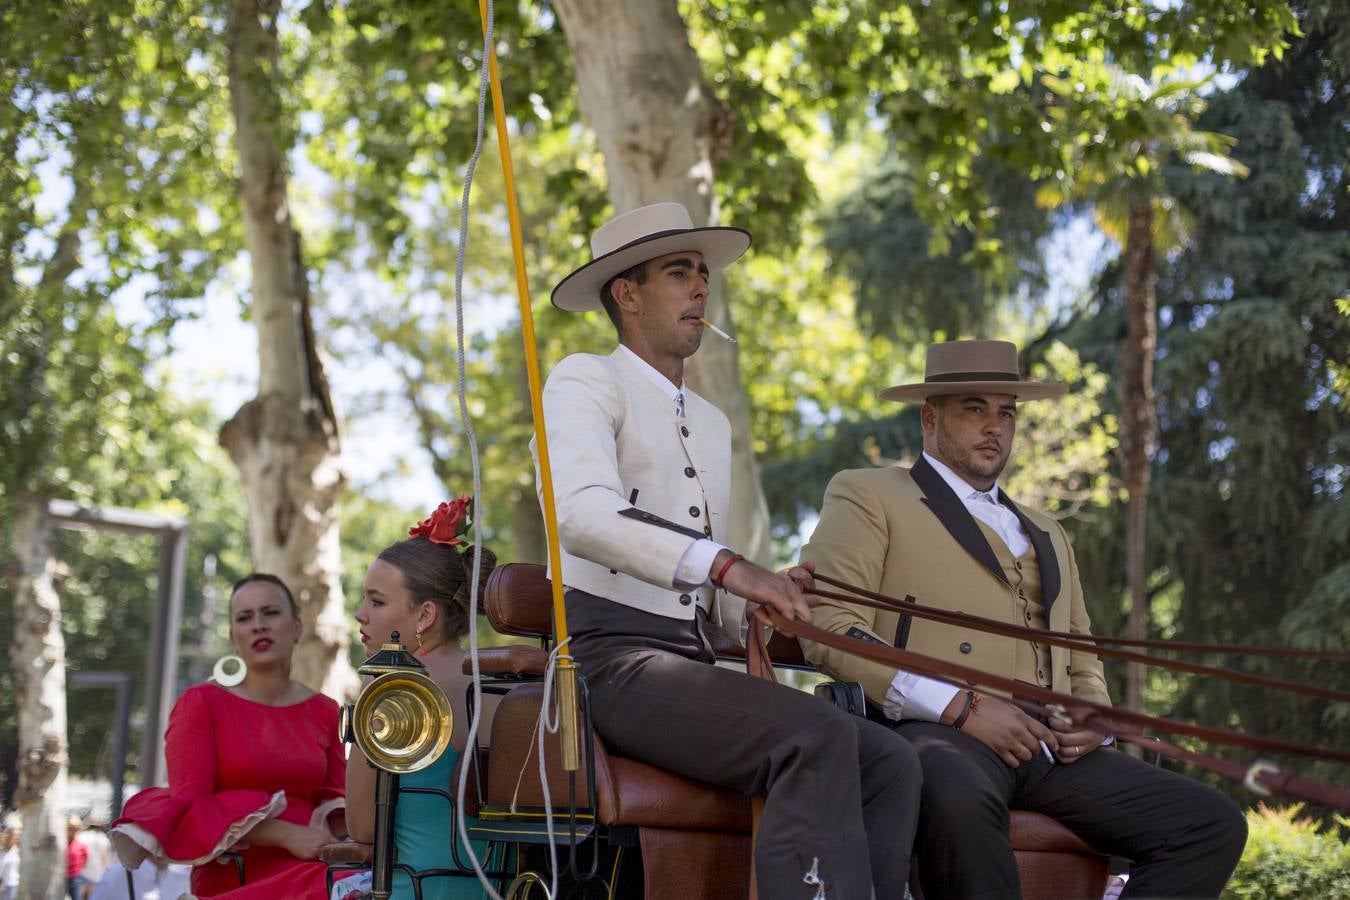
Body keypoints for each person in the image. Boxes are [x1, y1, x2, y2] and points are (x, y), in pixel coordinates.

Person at [533, 201, 922, 898]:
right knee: (814, 734)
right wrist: (729, 565)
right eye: (679, 272)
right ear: (627, 294)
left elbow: (706, 593)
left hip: (689, 660)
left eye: (704, 275)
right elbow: (581, 515)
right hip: (608, 663)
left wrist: (767, 598)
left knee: (892, 760)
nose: (702, 289)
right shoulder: (584, 378)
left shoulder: (711, 423)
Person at [799, 339, 1248, 899]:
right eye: (974, 408)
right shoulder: (869, 493)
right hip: (938, 731)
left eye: (1006, 412)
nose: (994, 426)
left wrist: (1093, 716)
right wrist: (961, 707)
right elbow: (827, 623)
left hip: (1051, 746)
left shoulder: (1047, 529)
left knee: (1210, 824)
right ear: (930, 418)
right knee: (955, 797)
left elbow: (1076, 642)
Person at [111, 574, 346, 898]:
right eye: (244, 618)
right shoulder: (202, 703)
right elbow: (190, 807)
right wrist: (286, 835)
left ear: (297, 627)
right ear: (234, 638)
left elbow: (336, 800)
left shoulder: (325, 710)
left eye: (270, 612)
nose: (258, 625)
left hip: (319, 861)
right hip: (233, 871)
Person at [341, 509, 495, 900]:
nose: (360, 614)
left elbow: (361, 827)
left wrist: (371, 691)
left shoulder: (391, 692)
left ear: (425, 614)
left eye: (376, 602)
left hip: (414, 890)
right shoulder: (503, 686)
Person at [67, 816, 89, 899]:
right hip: (61, 877)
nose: (71, 831)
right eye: (69, 828)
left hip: (74, 877)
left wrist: (79, 869)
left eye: (73, 828)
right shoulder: (61, 843)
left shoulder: (81, 845)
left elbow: (86, 858)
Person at [0, 820, 19, 900]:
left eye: (14, 835)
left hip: (16, 885)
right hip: (5, 886)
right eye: (11, 834)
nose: (13, 837)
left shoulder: (17, 850)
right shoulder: (2, 852)